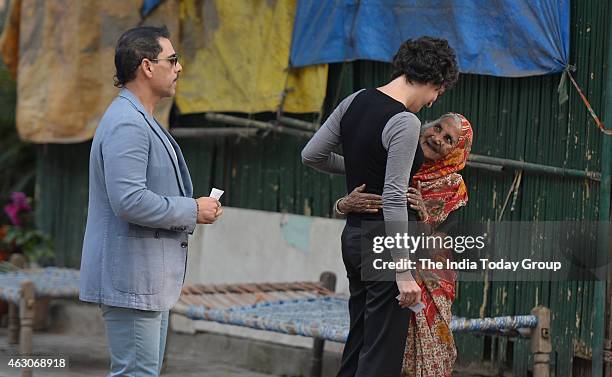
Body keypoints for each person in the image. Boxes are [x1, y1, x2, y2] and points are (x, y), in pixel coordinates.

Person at [302, 37, 459, 377]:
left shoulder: (355, 100)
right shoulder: (405, 122)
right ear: (434, 82)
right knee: (379, 360)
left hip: (354, 239)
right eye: (438, 94)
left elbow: (311, 154)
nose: (432, 102)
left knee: (358, 345)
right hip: (385, 248)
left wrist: (359, 166)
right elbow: (393, 196)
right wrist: (403, 272)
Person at [79, 26, 222, 377]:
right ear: (147, 66)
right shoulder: (128, 123)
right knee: (135, 373)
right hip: (131, 275)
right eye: (171, 59)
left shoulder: (140, 118)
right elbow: (129, 201)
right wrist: (193, 209)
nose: (179, 67)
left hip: (144, 277)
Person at [335, 113, 474, 377]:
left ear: (455, 152)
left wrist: (424, 216)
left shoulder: (453, 185)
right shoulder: (395, 160)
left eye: (448, 139)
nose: (437, 138)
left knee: (423, 359)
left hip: (426, 284)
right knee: (372, 348)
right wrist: (343, 205)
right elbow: (363, 210)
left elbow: (443, 244)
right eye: (437, 128)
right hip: (380, 271)